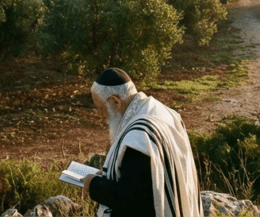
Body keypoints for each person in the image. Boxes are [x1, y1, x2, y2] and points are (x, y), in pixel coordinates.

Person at [81, 67, 202, 217]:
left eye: (101, 109)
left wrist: (94, 185)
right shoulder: (163, 112)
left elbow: (133, 200)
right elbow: (143, 181)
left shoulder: (138, 137)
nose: (101, 116)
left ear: (115, 101)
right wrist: (108, 176)